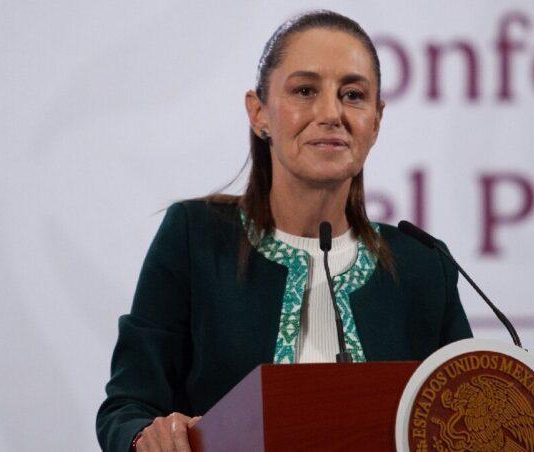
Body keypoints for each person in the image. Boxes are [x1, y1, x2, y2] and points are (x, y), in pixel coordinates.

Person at [96, 10, 472, 452]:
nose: (330, 113)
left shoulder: (423, 266)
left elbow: (469, 413)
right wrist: (147, 436)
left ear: (376, 120)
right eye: (305, 90)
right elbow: (127, 408)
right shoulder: (195, 239)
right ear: (259, 113)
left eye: (353, 95)